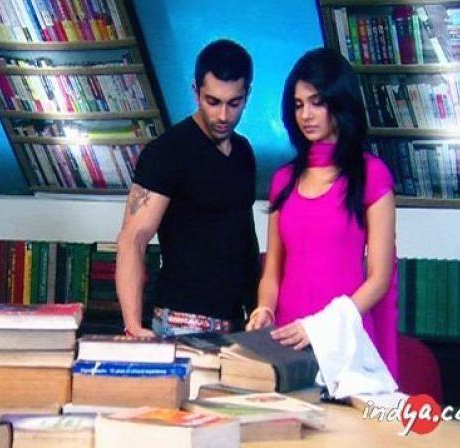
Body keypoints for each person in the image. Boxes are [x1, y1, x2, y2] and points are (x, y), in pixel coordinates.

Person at [246, 48, 398, 379]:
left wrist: (320, 328)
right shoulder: (284, 179)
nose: (306, 115)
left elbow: (380, 278)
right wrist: (265, 309)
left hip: (344, 341)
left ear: (339, 103)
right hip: (287, 339)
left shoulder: (372, 175)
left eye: (317, 102)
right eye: (298, 105)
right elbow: (272, 272)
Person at [116, 39, 260, 338]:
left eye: (234, 103)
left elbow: (243, 238)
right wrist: (133, 326)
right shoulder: (168, 152)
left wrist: (258, 309)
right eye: (213, 102)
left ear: (247, 95)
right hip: (179, 322)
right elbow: (133, 239)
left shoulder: (243, 152)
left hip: (235, 324)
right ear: (196, 92)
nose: (223, 115)